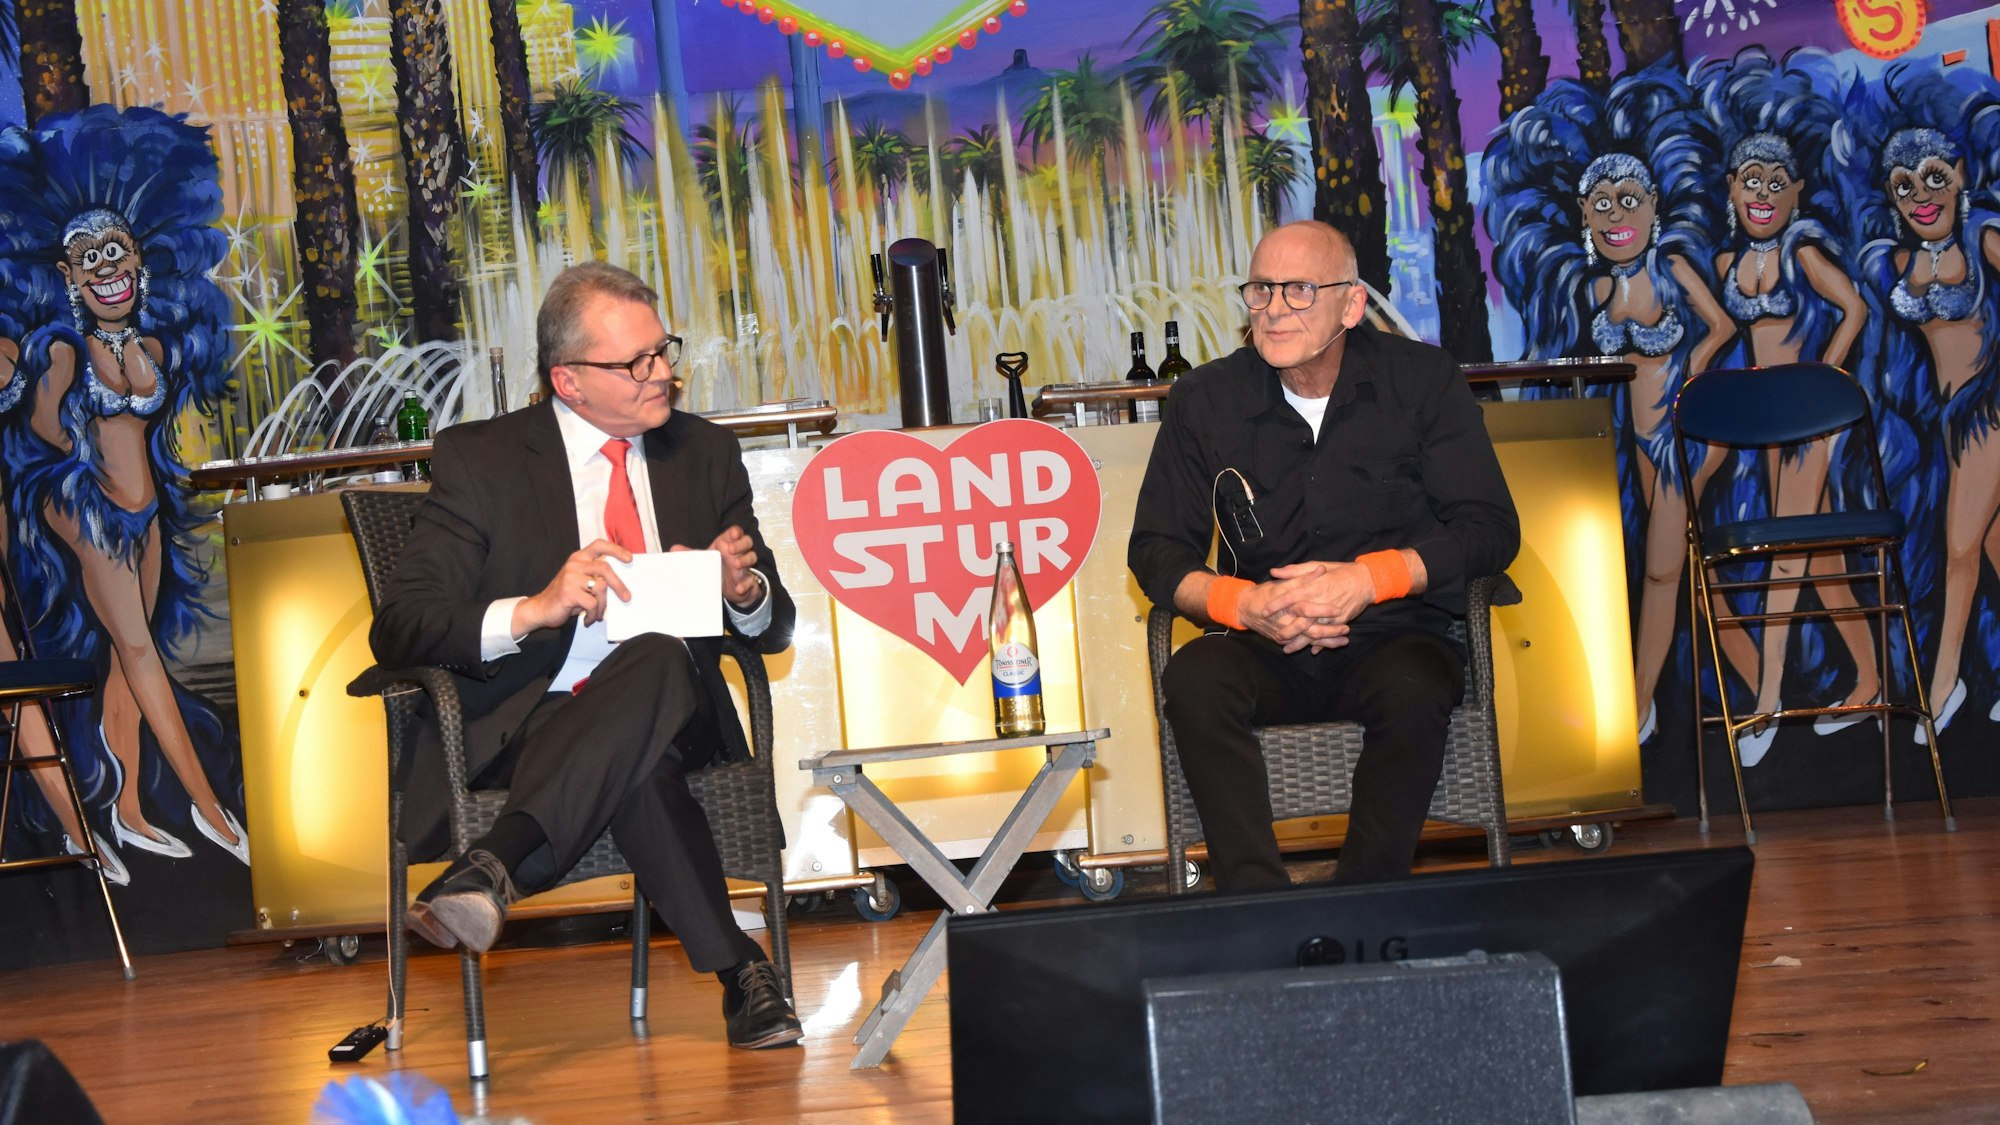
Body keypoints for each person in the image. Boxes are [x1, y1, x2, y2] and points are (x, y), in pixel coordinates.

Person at [368, 262, 802, 1049]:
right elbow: (400, 626)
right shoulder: (484, 459)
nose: (662, 371)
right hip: (527, 723)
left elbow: (773, 625)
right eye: (635, 361)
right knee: (638, 761)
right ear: (568, 381)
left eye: (663, 349)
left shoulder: (701, 453)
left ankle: (494, 866)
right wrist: (535, 608)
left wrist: (742, 593)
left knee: (661, 659)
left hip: (681, 709)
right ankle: (742, 972)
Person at [1128, 221, 1519, 891]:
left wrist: (1371, 578)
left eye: (1300, 290)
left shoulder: (1422, 381)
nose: (1274, 309)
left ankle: (1363, 898)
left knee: (1414, 685)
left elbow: (1489, 528)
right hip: (1261, 641)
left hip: (1396, 630)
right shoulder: (1205, 400)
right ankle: (1257, 904)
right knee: (1195, 680)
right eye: (1260, 290)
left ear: (1352, 304)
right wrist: (1242, 604)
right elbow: (1156, 550)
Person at [1696, 50, 1878, 761]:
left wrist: (1821, 381)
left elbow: (1854, 308)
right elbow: (1713, 325)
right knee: (1822, 560)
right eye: (1750, 181)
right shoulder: (1726, 263)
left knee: (1785, 557)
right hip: (1763, 425)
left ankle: (1767, 701)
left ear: (1795, 192)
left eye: (1776, 182)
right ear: (1733, 188)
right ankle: (1869, 677)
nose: (1762, 192)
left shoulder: (1802, 249)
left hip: (1807, 421)